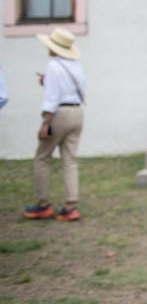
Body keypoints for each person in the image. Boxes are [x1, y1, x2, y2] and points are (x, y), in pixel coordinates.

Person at [24, 27, 86, 222]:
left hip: (60, 113)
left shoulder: (53, 66)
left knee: (42, 157)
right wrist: (48, 81)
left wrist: (46, 122)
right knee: (70, 160)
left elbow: (52, 98)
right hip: (77, 112)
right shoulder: (76, 65)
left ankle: (43, 204)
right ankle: (71, 206)